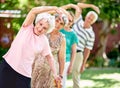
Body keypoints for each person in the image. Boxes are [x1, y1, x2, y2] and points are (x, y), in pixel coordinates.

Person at [0, 6, 61, 88]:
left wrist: (55, 74)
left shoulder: (44, 41)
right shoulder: (27, 27)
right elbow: (33, 10)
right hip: (8, 67)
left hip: (24, 74)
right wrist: (54, 8)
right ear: (37, 22)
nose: (40, 29)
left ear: (47, 30)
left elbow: (49, 57)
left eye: (44, 28)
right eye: (40, 24)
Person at [61, 3, 100, 88]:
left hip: (78, 54)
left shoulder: (91, 34)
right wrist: (92, 6)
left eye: (91, 19)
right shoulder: (78, 20)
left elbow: (87, 49)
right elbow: (78, 5)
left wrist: (83, 64)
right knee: (62, 73)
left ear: (93, 22)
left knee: (76, 76)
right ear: (86, 16)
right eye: (89, 17)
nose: (89, 20)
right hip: (66, 50)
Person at [31, 9, 69, 88]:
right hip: (36, 68)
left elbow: (62, 59)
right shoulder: (43, 31)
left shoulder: (62, 39)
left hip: (51, 71)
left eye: (61, 23)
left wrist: (61, 75)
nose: (58, 24)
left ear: (63, 26)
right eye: (57, 20)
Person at [60, 11, 78, 88]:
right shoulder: (58, 29)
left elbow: (74, 52)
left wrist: (71, 65)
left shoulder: (73, 35)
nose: (68, 22)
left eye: (71, 21)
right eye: (67, 19)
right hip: (54, 59)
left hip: (65, 61)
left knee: (61, 82)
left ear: (73, 22)